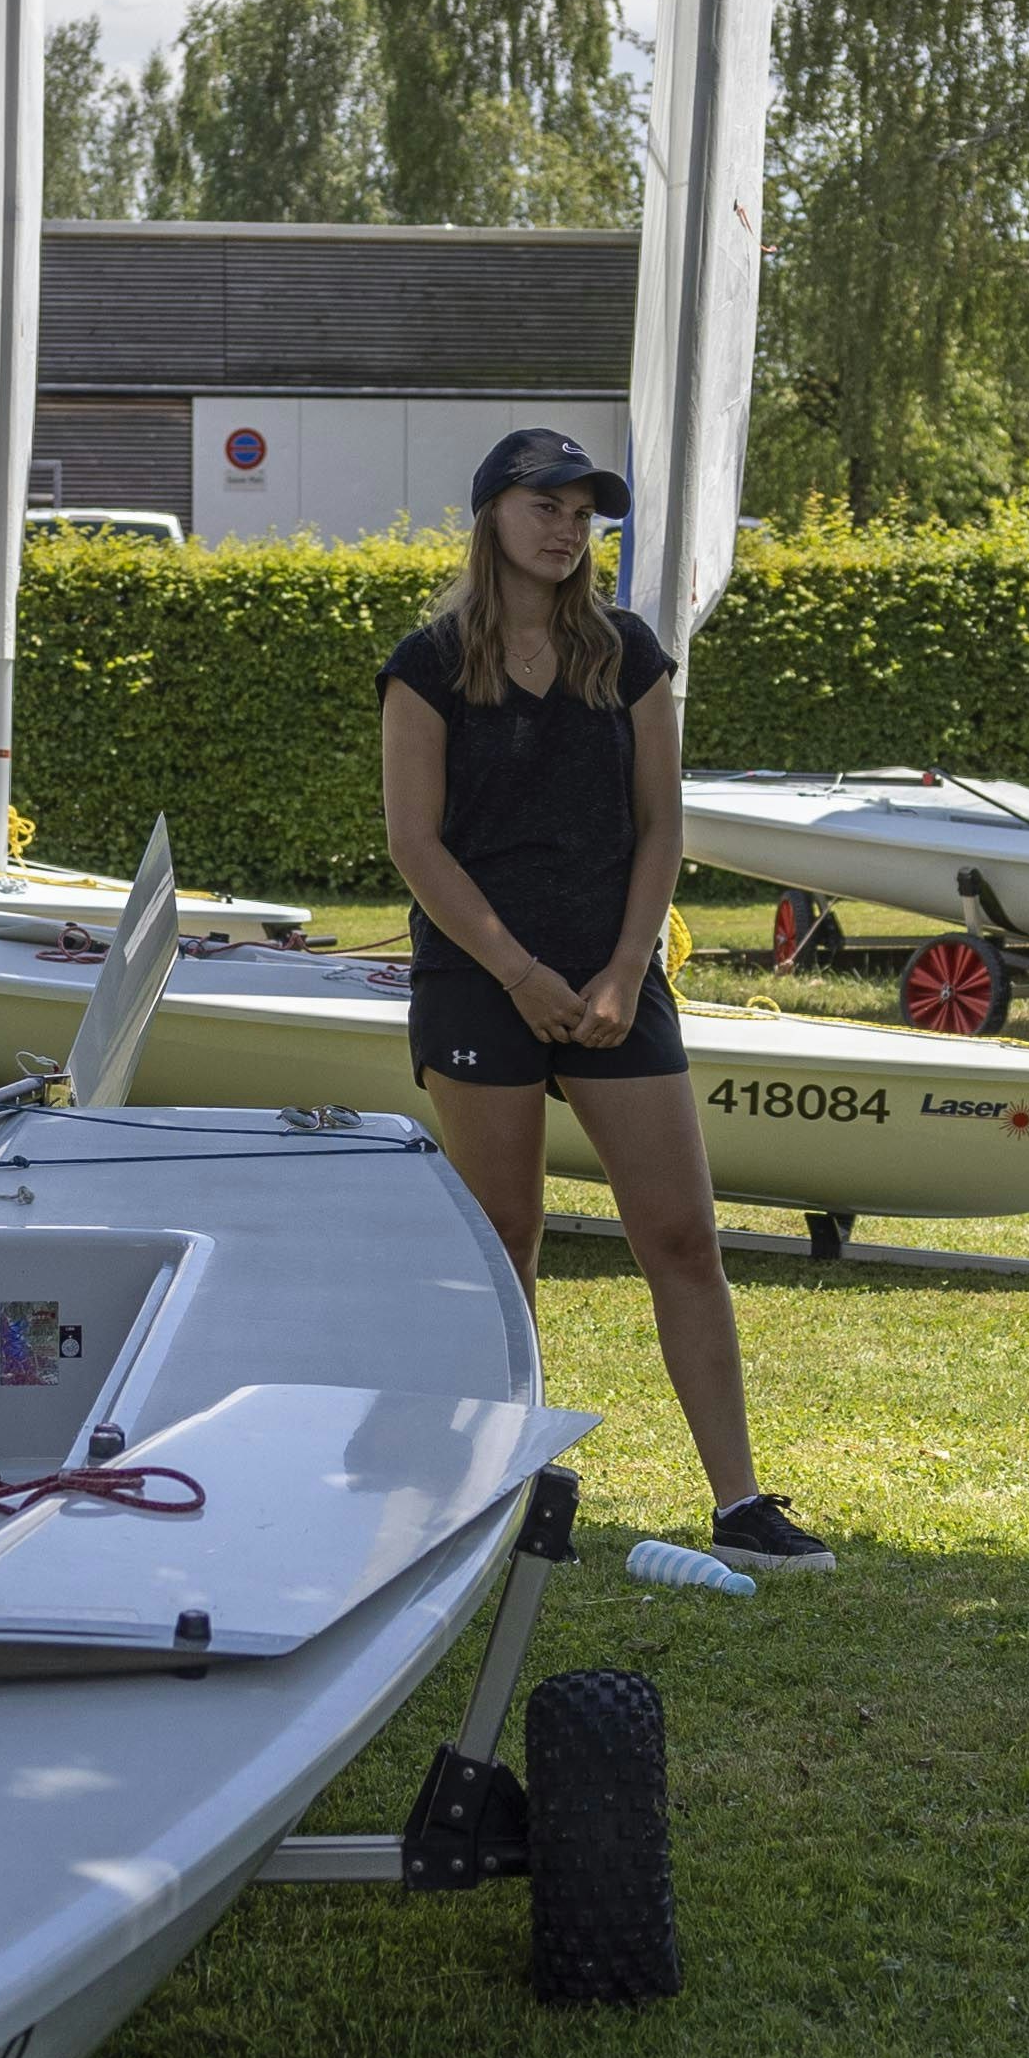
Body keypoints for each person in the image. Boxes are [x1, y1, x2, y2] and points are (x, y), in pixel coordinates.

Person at [384, 429, 817, 1566]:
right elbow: (415, 846)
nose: (570, 528)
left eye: (584, 511)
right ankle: (505, 1489)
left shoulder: (628, 652)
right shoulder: (425, 664)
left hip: (617, 977)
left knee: (679, 1235)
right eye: (547, 505)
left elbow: (662, 822)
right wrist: (519, 976)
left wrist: (627, 968)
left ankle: (737, 1500)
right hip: (480, 983)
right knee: (506, 1239)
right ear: (491, 516)